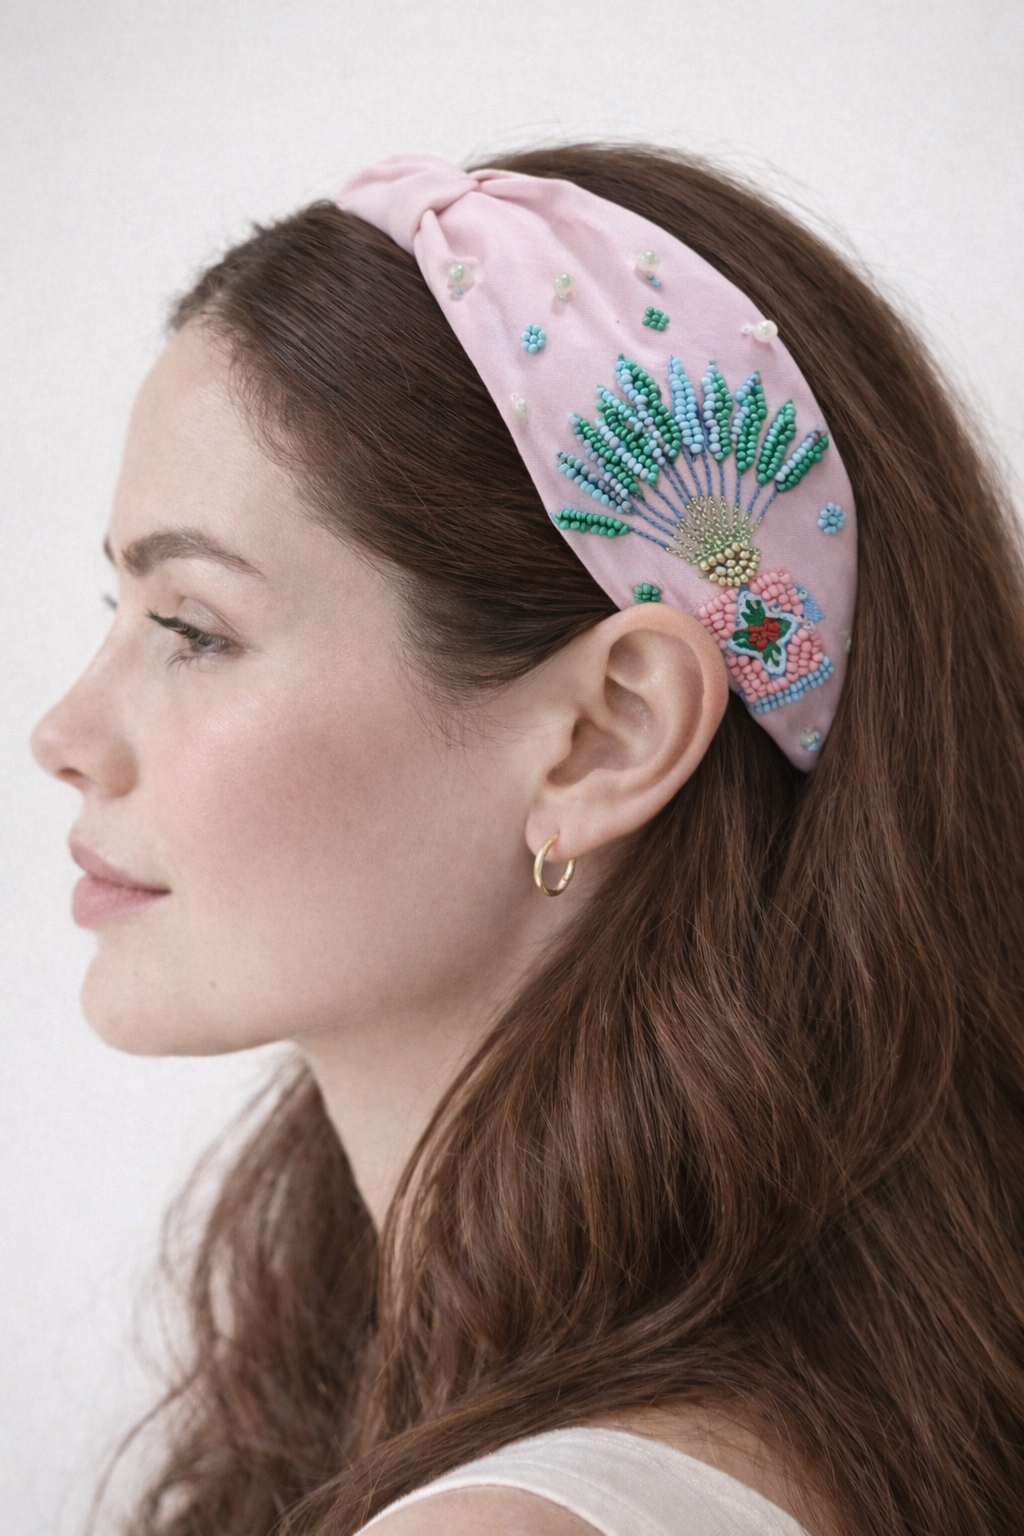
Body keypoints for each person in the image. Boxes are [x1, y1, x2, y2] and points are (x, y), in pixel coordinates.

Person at [31, 145, 1024, 1536]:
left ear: (603, 736)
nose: (64, 731)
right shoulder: (839, 1405)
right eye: (118, 611)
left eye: (191, 628)